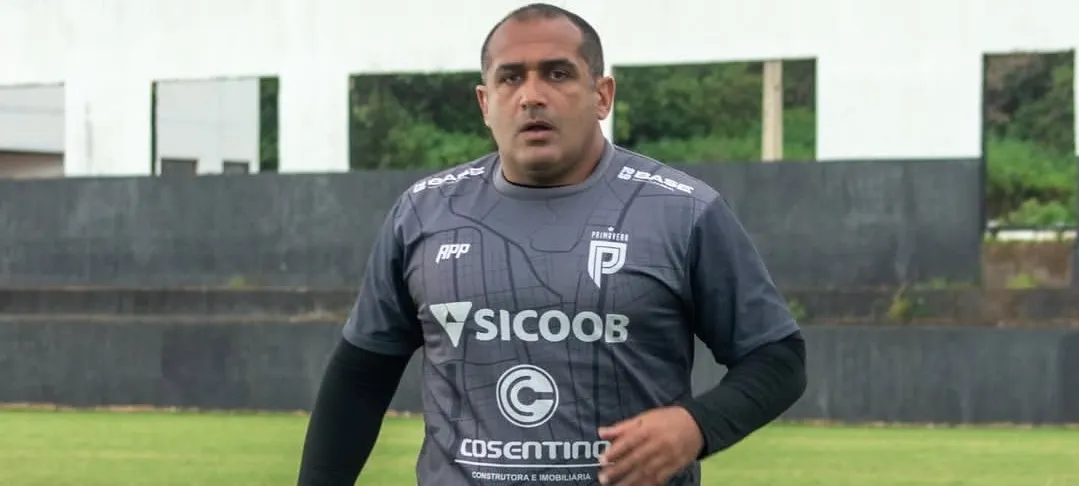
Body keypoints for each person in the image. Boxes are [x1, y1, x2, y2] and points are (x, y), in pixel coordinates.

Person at [296, 3, 807, 485]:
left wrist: (696, 425)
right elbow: (361, 375)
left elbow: (778, 359)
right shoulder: (424, 214)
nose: (532, 95)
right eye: (511, 77)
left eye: (558, 74)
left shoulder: (684, 212)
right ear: (485, 101)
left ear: (603, 94)